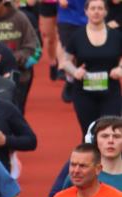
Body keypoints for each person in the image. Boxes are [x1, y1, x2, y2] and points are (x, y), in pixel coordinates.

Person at [61, 0, 122, 136]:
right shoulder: (77, 36)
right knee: (89, 133)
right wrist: (74, 71)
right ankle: (89, 157)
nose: (96, 12)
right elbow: (65, 61)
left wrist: (120, 68)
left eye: (100, 8)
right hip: (84, 93)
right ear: (86, 11)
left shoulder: (116, 36)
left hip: (110, 91)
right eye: (92, 8)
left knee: (110, 131)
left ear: (106, 12)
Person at [0, 0, 40, 112]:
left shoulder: (19, 17)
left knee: (14, 113)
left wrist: (15, 58)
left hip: (17, 77)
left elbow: (35, 49)